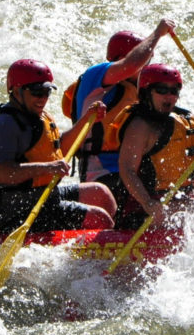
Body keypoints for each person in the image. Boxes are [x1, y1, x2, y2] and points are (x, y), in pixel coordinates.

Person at [0, 59, 116, 235]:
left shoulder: (40, 116)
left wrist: (86, 120)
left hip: (45, 195)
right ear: (16, 91)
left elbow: (59, 150)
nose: (43, 98)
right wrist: (48, 168)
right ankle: (104, 247)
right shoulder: (3, 125)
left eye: (47, 92)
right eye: (36, 92)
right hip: (16, 210)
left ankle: (114, 239)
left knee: (100, 193)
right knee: (99, 218)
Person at [61, 18, 175, 203]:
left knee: (188, 194)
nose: (147, 66)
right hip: (103, 175)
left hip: (137, 171)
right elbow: (131, 65)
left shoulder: (143, 92)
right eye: (146, 59)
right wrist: (157, 34)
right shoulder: (94, 77)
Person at [112, 64, 194, 228]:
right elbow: (127, 170)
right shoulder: (140, 126)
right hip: (143, 208)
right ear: (146, 92)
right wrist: (148, 203)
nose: (169, 96)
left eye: (174, 91)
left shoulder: (183, 118)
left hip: (176, 196)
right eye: (162, 90)